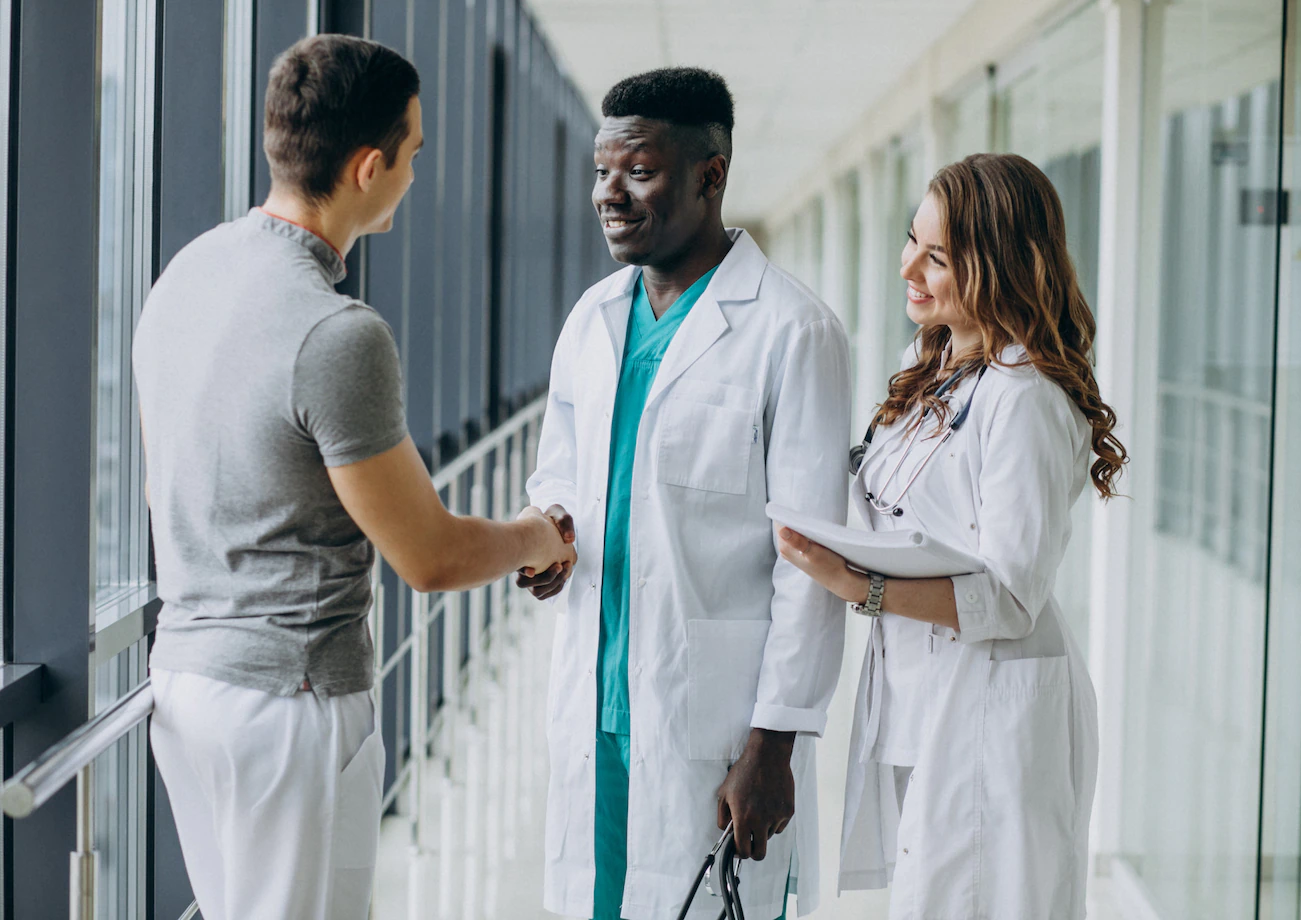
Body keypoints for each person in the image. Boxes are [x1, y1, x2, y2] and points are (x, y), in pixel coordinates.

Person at [132, 35, 574, 920]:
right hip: (287, 705)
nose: (414, 172)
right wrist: (540, 533)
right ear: (368, 167)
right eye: (411, 154)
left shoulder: (188, 272)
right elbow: (433, 556)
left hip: (186, 685)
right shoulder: (337, 333)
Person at [522, 67, 852, 920]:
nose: (609, 195)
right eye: (602, 172)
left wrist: (774, 742)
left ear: (712, 174)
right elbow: (559, 468)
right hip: (597, 701)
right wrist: (549, 534)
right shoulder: (592, 319)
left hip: (712, 718)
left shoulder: (793, 331)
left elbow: (809, 561)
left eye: (638, 170)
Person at [776, 153, 1127, 920]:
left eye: (936, 257)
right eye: (912, 241)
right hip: (924, 695)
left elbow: (1009, 599)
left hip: (996, 704)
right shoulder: (932, 362)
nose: (907, 265)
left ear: (999, 266)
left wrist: (858, 587)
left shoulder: (1025, 399)